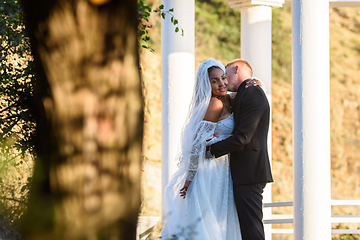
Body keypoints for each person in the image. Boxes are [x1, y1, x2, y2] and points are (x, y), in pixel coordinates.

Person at [160, 58, 243, 240]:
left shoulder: (228, 98)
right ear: (207, 84)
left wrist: (255, 81)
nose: (221, 83)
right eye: (215, 81)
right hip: (211, 172)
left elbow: (244, 89)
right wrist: (189, 178)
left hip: (223, 167)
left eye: (222, 77)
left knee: (220, 219)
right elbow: (197, 143)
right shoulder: (215, 104)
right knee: (210, 220)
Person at [207, 59, 274, 240]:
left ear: (236, 69)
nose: (224, 81)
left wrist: (210, 150)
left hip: (250, 172)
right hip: (242, 171)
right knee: (244, 228)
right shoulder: (245, 93)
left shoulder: (253, 94)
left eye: (225, 75)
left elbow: (243, 138)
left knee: (251, 229)